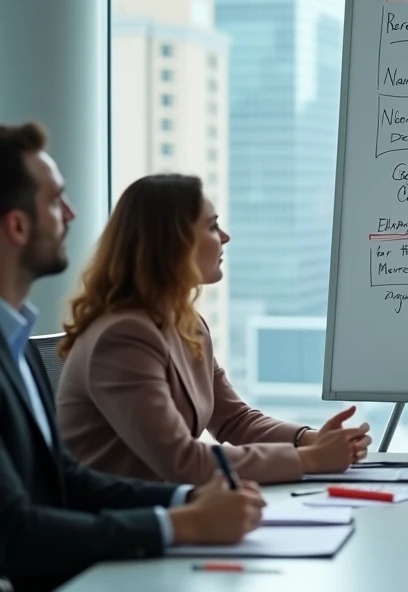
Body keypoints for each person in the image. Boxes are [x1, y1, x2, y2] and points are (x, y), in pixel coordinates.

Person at [0, 123, 266, 591]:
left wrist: (188, 498)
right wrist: (182, 525)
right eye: (55, 201)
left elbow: (67, 479)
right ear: (17, 225)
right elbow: (13, 534)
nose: (70, 213)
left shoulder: (10, 340)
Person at [56, 173, 371, 486]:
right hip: (121, 522)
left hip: (171, 509)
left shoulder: (186, 323)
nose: (225, 236)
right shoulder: (122, 337)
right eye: (211, 226)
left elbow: (234, 421)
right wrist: (311, 460)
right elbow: (183, 461)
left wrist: (310, 439)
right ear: (172, 244)